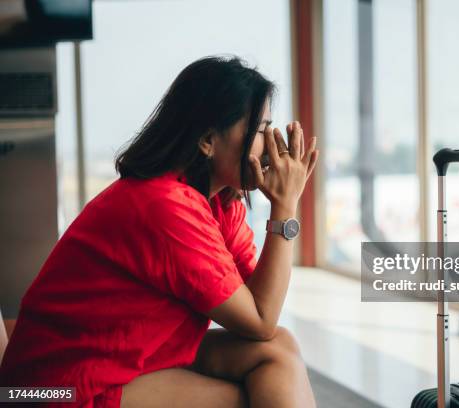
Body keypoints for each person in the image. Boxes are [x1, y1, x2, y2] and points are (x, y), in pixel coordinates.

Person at [0, 55, 319, 408]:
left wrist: (283, 206)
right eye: (260, 130)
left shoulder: (217, 204)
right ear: (208, 140)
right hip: (48, 390)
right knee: (241, 399)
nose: (271, 143)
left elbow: (261, 310)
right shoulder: (166, 206)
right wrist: (285, 208)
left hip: (122, 358)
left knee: (279, 348)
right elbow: (260, 319)